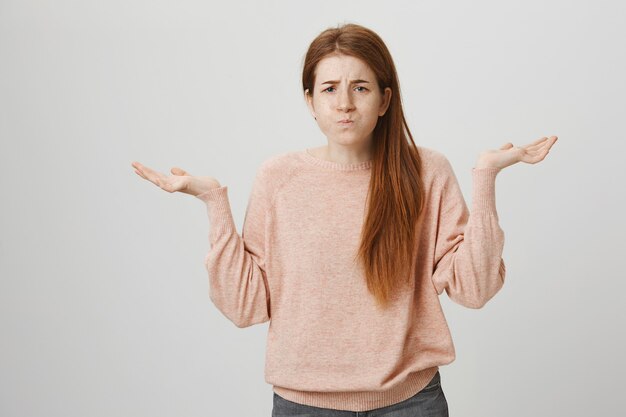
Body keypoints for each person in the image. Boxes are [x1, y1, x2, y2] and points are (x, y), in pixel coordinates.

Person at [131, 23, 557, 417]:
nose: (345, 104)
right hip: (303, 405)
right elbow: (246, 308)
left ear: (385, 99)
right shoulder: (278, 177)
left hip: (411, 402)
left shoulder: (427, 173)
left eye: (360, 87)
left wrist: (486, 177)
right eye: (330, 88)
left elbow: (475, 290)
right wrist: (213, 202)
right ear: (310, 102)